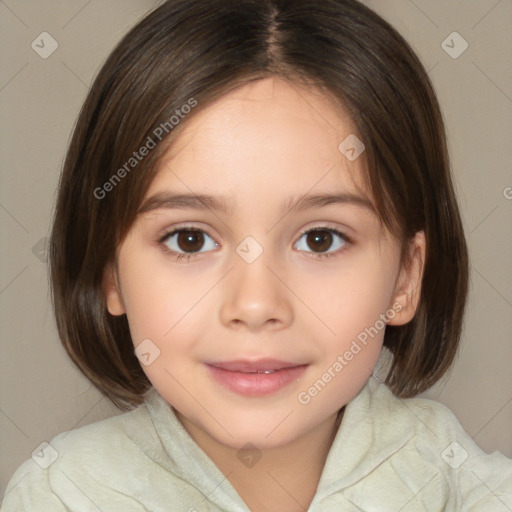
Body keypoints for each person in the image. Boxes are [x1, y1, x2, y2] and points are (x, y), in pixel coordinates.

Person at [2, 0, 511, 510]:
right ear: (109, 271)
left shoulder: (460, 488)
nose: (254, 304)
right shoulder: (63, 494)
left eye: (320, 239)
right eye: (190, 239)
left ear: (405, 277)